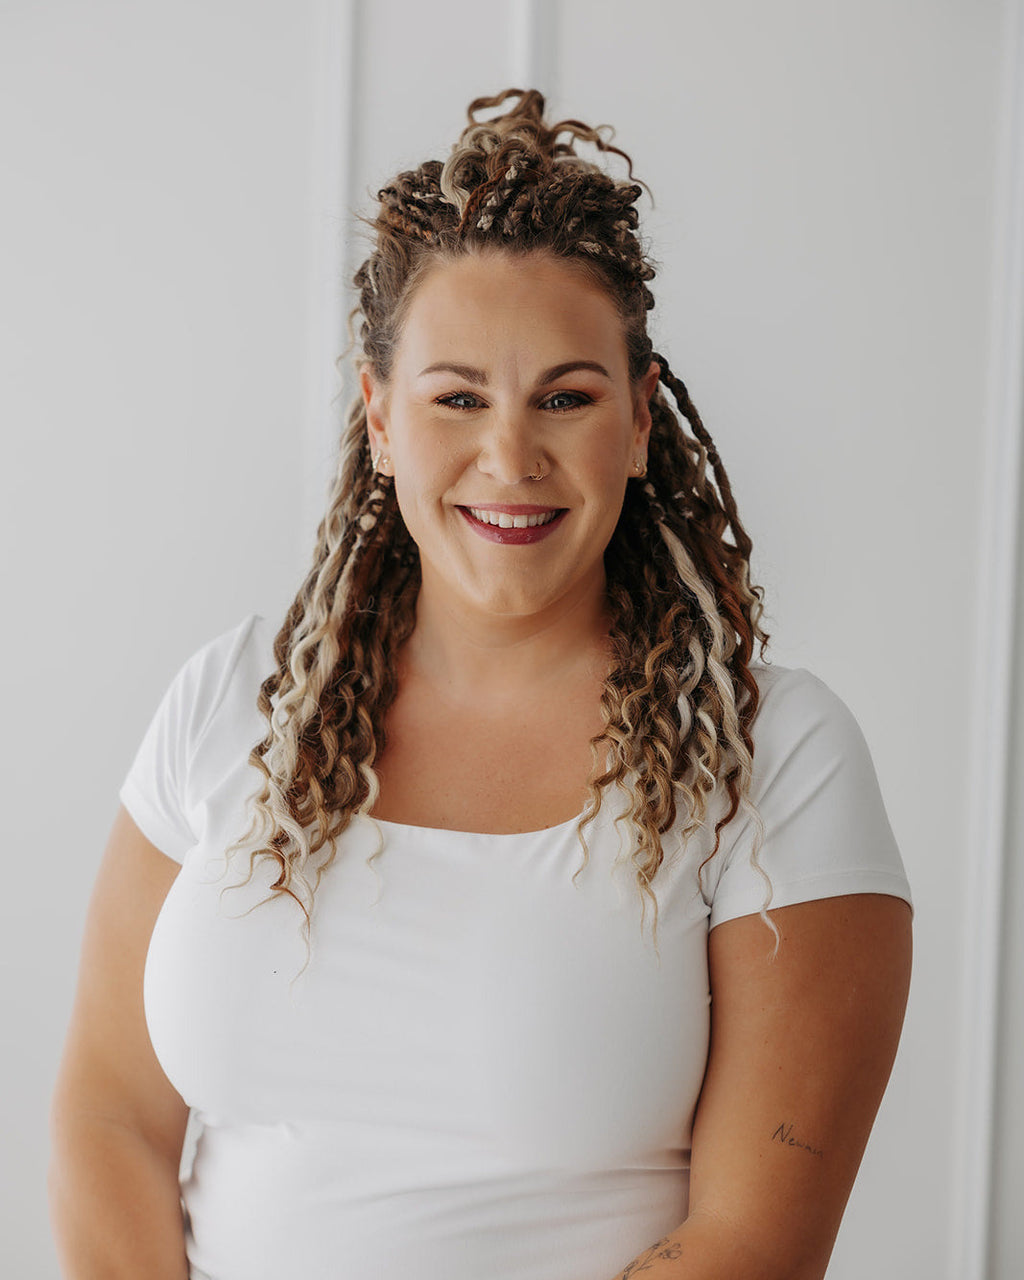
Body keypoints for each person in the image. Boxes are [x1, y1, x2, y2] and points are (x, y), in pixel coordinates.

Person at [49, 88, 913, 1280]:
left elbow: (751, 1240)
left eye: (566, 396)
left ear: (639, 418)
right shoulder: (233, 698)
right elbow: (110, 1111)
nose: (510, 456)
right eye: (457, 397)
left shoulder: (777, 756)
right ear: (380, 416)